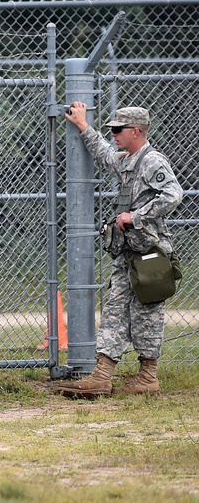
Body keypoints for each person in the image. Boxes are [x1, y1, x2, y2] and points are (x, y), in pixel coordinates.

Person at [55, 103, 183, 398]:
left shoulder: (152, 161)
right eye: (111, 129)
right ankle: (101, 376)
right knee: (114, 309)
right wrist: (84, 126)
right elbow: (106, 156)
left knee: (147, 311)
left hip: (149, 253)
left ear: (136, 131)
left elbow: (174, 194)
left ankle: (147, 377)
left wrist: (135, 216)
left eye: (118, 130)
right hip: (127, 252)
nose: (113, 134)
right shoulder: (128, 159)